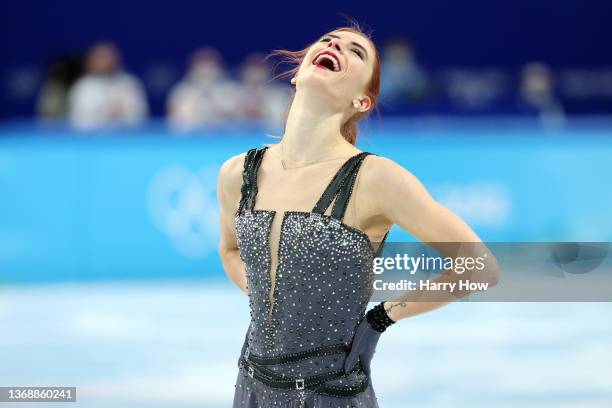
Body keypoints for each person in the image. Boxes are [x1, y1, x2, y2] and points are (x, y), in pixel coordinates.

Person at [217, 22, 500, 407]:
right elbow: (230, 251)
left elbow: (478, 266)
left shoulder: (375, 179)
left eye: (357, 52)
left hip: (331, 393)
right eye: (330, 39)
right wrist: (266, 291)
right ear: (298, 74)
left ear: (362, 101)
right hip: (250, 388)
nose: (337, 45)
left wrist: (381, 317)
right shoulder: (239, 173)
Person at [67, 42, 148, 129]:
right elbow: (77, 119)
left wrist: (122, 113)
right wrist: (104, 113)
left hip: (126, 137)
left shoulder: (130, 83)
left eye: (108, 57)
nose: (105, 62)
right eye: (100, 58)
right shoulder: (83, 86)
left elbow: (141, 115)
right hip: (91, 139)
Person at [167, 47, 239, 130]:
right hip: (190, 138)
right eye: (201, 64)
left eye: (210, 63)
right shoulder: (181, 91)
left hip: (224, 137)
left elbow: (239, 120)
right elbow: (175, 121)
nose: (206, 68)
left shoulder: (232, 89)